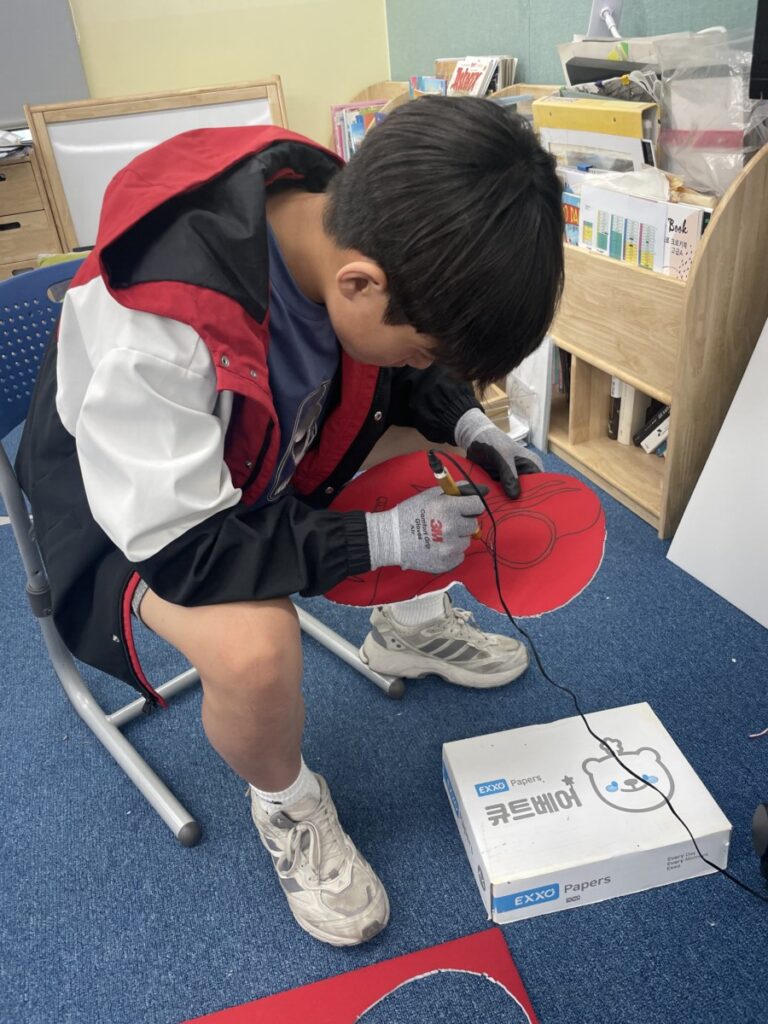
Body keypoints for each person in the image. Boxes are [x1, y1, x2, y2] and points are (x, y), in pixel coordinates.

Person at [16, 96, 564, 947]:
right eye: (425, 348)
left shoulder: (350, 212)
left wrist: (465, 422)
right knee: (257, 649)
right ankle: (287, 803)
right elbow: (189, 553)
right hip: (127, 513)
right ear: (358, 283)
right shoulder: (157, 330)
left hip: (258, 446)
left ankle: (407, 627)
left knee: (443, 457)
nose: (424, 362)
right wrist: (380, 539)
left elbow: (395, 364)